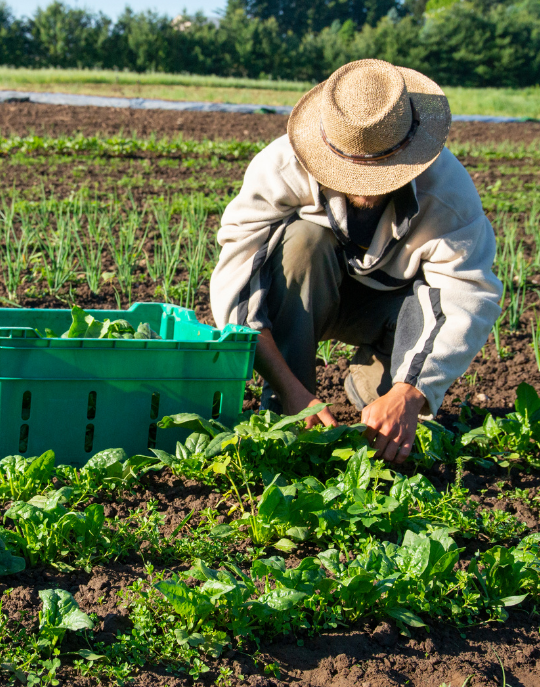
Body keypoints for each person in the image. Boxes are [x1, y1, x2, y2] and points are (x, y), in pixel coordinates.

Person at [210, 59, 502, 464]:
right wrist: (294, 394)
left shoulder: (447, 194)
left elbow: (467, 295)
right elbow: (237, 285)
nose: (365, 186)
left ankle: (374, 383)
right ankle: (287, 409)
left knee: (392, 421)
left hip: (388, 311)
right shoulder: (280, 167)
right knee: (302, 242)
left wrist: (410, 394)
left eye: (380, 171)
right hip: (310, 294)